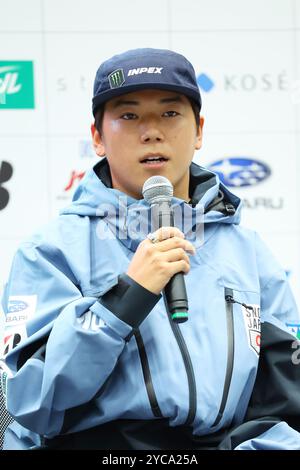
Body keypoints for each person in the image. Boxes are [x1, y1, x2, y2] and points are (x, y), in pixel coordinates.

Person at [1, 47, 300, 450]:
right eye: (128, 115)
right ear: (97, 138)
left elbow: (286, 402)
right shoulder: (49, 250)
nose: (152, 131)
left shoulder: (249, 252)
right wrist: (125, 299)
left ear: (199, 131)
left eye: (170, 113)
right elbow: (34, 401)